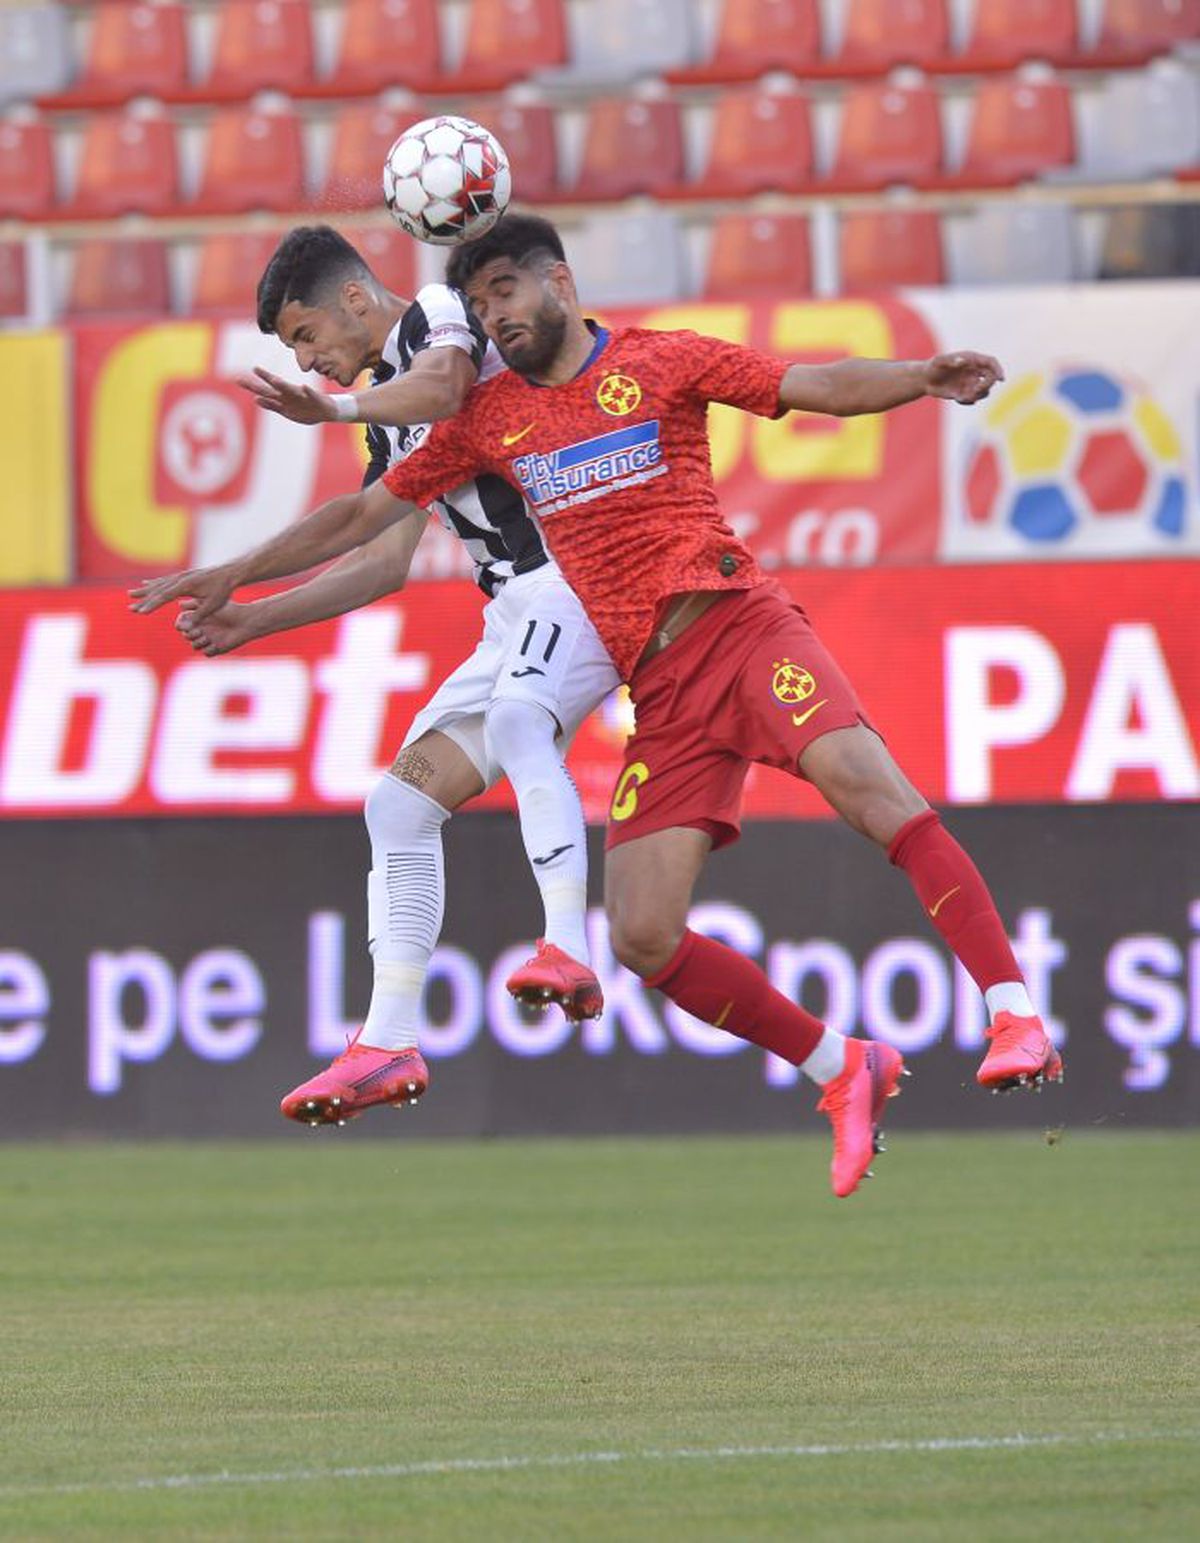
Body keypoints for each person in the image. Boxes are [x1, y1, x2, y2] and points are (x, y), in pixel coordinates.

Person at [133, 214, 1062, 1197]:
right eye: (481, 301)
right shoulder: (488, 420)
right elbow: (368, 520)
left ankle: (1012, 1010)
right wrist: (232, 575)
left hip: (742, 630)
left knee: (873, 797)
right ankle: (844, 1064)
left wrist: (921, 376)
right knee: (646, 935)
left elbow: (810, 386)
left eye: (506, 293)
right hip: (658, 692)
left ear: (559, 285)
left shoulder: (662, 361)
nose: (496, 315)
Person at [134, 225, 619, 1127]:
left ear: (356, 298)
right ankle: (387, 1040)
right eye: (294, 352)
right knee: (397, 804)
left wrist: (334, 415)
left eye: (305, 335)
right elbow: (380, 552)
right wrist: (250, 615)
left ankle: (566, 945)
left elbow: (448, 383)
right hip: (517, 609)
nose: (310, 361)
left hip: (581, 569)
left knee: (520, 721)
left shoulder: (439, 318)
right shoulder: (390, 415)